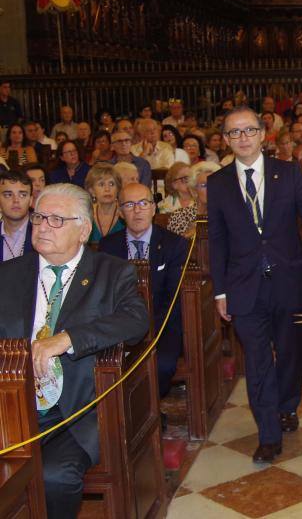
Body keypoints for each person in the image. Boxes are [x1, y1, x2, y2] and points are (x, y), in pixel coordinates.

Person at [0, 183, 149, 518]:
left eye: (56, 220)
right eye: (39, 217)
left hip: (76, 410)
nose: (42, 227)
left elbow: (136, 321)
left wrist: (68, 338)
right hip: (13, 407)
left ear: (83, 230)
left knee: (54, 476)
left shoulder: (112, 272)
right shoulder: (8, 275)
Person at [208, 105, 302, 464]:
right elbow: (218, 241)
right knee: (257, 361)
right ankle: (268, 435)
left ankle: (287, 405)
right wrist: (220, 291)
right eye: (234, 132)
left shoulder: (287, 173)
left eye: (249, 130)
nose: (242, 138)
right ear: (225, 139)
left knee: (290, 353)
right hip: (243, 285)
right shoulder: (218, 183)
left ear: (262, 135)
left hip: (288, 280)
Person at [100, 182, 189, 400]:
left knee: (162, 364)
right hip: (120, 325)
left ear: (153, 208)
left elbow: (174, 298)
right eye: (129, 205)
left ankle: (146, 410)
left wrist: (147, 328)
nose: (137, 210)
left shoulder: (174, 244)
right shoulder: (107, 247)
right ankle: (127, 412)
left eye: (143, 203)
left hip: (162, 325)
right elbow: (105, 295)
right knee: (105, 364)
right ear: (120, 212)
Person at [167, 161, 220, 238]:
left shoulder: (228, 215)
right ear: (194, 191)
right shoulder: (180, 216)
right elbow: (176, 244)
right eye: (204, 185)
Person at [85, 163, 125, 243]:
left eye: (111, 184)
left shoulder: (125, 214)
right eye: (101, 184)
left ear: (118, 189)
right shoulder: (86, 215)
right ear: (92, 191)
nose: (107, 189)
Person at [0, 170, 34, 261]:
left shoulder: (42, 233)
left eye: (22, 195)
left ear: (30, 200)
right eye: (8, 195)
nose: (16, 200)